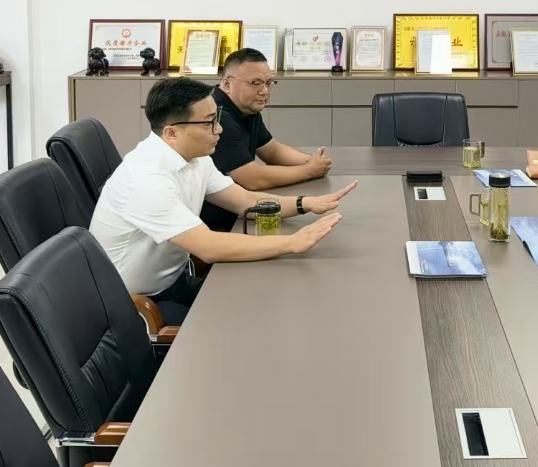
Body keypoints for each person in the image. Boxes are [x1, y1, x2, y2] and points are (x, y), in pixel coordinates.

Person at [90, 77, 358, 325]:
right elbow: (208, 246)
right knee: (244, 323)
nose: (219, 129)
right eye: (209, 122)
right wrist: (292, 242)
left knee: (262, 303)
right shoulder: (147, 179)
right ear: (172, 133)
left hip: (175, 280)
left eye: (216, 118)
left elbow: (245, 200)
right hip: (135, 304)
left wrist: (305, 203)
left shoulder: (195, 158)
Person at [200, 48, 332, 232]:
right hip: (210, 226)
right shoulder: (217, 116)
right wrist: (308, 170)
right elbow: (252, 178)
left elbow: (272, 150)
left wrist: (313, 161)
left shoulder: (246, 108)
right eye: (255, 83)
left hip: (237, 210)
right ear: (227, 83)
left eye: (269, 83)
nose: (264, 91)